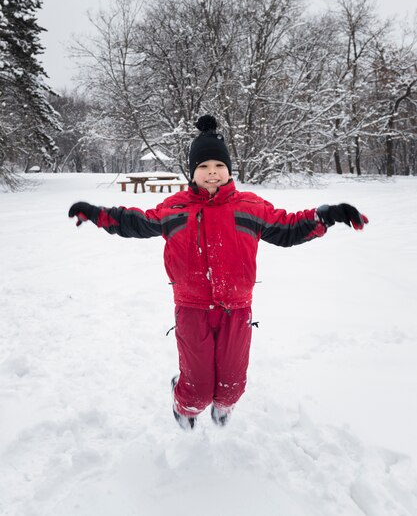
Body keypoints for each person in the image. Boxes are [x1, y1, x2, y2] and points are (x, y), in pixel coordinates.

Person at [68, 115, 368, 430]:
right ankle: (184, 405)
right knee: (197, 388)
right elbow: (135, 221)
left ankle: (224, 406)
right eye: (203, 167)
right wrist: (97, 214)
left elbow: (288, 227)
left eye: (219, 166)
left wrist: (329, 215)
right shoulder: (176, 208)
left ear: (228, 170)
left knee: (232, 385)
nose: (212, 172)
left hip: (237, 310)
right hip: (192, 309)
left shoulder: (249, 207)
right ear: (192, 173)